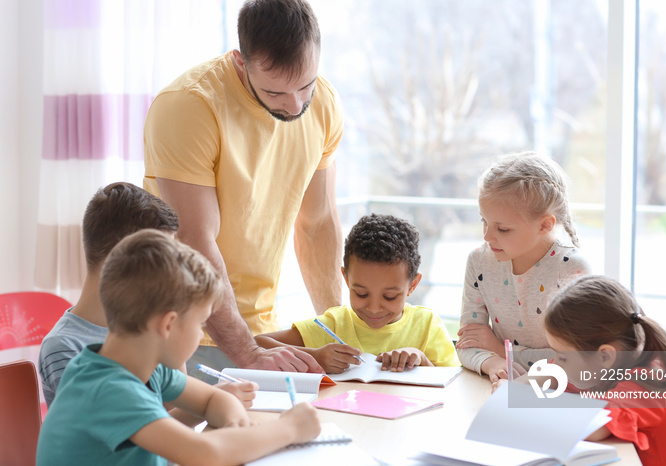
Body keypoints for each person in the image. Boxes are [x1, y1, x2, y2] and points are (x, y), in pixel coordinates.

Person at [143, 0, 341, 374]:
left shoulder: (325, 104)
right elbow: (195, 240)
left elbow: (317, 223)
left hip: (260, 330)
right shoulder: (188, 106)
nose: (296, 105)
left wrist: (337, 329)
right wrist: (246, 352)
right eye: (275, 93)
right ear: (240, 62)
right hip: (176, 325)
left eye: (305, 85)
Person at [36, 230, 321, 466]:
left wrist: (238, 428)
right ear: (169, 324)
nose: (200, 335)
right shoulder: (107, 388)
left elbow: (214, 399)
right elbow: (204, 453)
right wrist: (289, 428)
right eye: (200, 324)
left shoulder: (141, 365)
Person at [38, 182, 256, 409]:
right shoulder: (64, 347)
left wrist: (213, 399)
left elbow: (170, 406)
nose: (173, 271)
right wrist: (209, 405)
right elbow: (129, 437)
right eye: (164, 258)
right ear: (122, 257)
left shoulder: (148, 323)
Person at [255, 214, 460, 373]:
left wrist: (422, 361)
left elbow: (453, 387)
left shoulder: (427, 326)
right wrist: (314, 355)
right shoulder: (334, 324)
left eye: (390, 297)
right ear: (346, 279)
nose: (373, 308)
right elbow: (257, 344)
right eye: (361, 293)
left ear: (413, 285)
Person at [455, 151, 591, 382]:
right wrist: (492, 362)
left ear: (545, 225)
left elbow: (581, 361)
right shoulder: (478, 261)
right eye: (484, 221)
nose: (487, 236)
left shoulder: (572, 269)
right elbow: (468, 342)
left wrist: (500, 350)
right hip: (500, 389)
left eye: (503, 229)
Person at [544, 275, 666, 466]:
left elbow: (592, 428)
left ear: (605, 356)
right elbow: (553, 374)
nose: (557, 362)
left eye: (562, 355)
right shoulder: (622, 359)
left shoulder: (648, 381)